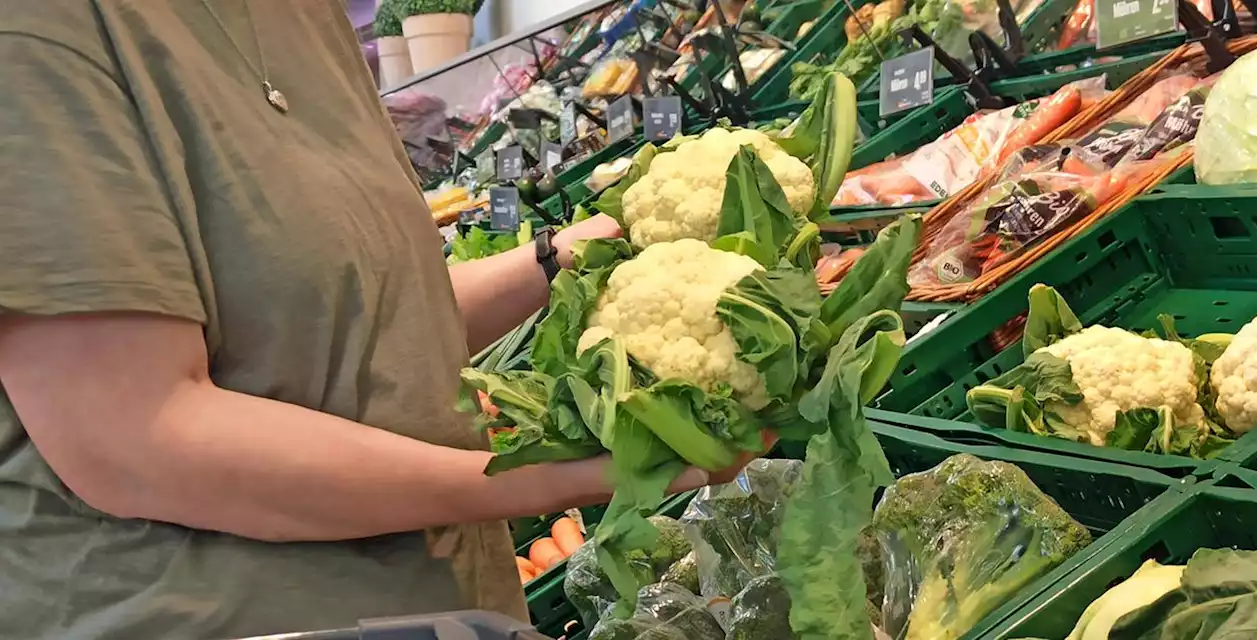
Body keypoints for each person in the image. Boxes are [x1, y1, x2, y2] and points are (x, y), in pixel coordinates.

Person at [0, 2, 755, 638]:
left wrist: (556, 261)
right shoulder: (39, 36)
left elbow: (355, 327)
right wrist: (564, 476)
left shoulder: (304, 16)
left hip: (452, 604)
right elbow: (138, 436)